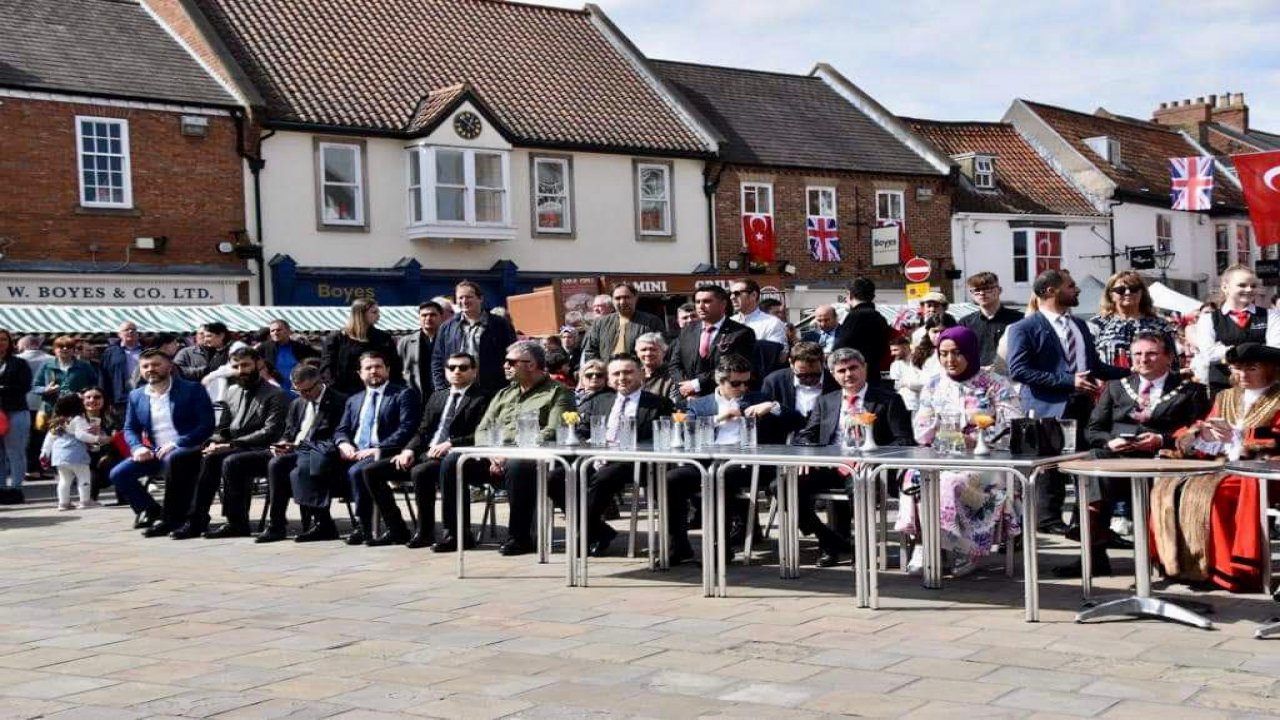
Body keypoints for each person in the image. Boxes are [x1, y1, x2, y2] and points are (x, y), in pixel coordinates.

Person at [1062, 332, 1210, 578]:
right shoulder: (1116, 387)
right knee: (1095, 463)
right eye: (1138, 354)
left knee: (1108, 470)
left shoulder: (1191, 390)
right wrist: (1112, 442)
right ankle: (1094, 548)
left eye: (1151, 353)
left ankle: (1165, 555)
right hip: (1118, 459)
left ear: (1168, 358)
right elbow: (1093, 430)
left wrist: (1161, 439)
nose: (1144, 359)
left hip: (1163, 459)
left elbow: (1198, 433)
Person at [1006, 269, 1127, 533]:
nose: (1077, 290)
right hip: (1046, 407)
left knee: (1087, 464)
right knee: (1049, 469)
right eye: (1071, 286)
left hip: (1083, 405)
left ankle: (1085, 525)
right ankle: (1048, 521)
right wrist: (1067, 380)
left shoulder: (1079, 325)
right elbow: (1019, 370)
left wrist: (1135, 373)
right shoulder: (1024, 328)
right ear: (1050, 291)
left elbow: (1094, 366)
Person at [896, 327, 1021, 576]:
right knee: (914, 474)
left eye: (957, 353)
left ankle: (965, 546)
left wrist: (978, 438)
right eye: (943, 354)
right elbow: (921, 432)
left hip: (988, 461)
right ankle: (927, 543)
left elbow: (1013, 426)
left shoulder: (995, 384)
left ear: (971, 352)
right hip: (944, 456)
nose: (950, 360)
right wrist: (937, 426)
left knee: (953, 481)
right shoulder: (934, 384)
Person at [1165, 343, 1280, 592]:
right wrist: (1204, 434)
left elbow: (1276, 440)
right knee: (1177, 487)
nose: (1242, 375)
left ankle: (1234, 570)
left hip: (1266, 472)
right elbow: (1206, 428)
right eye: (1237, 369)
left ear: (1270, 369)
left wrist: (1241, 440)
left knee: (1218, 496)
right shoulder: (1224, 396)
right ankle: (1187, 565)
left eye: (1251, 368)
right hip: (1225, 466)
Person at [794, 348, 915, 566]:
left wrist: (873, 455)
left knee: (860, 486)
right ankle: (829, 539)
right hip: (831, 465)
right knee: (782, 485)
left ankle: (861, 547)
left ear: (865, 368)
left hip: (867, 467)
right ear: (833, 374)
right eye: (842, 370)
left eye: (853, 368)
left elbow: (904, 440)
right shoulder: (826, 401)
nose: (848, 374)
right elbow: (806, 434)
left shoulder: (888, 400)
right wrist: (806, 453)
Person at [666, 354, 790, 561]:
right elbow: (686, 431)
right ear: (719, 381)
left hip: (747, 463)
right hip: (707, 460)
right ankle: (677, 545)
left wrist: (773, 407)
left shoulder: (758, 398)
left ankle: (719, 546)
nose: (742, 388)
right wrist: (719, 418)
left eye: (746, 382)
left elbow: (795, 420)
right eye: (735, 383)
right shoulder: (700, 404)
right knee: (671, 479)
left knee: (719, 476)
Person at [360, 352, 489, 549]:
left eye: (463, 368)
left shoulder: (483, 397)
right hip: (426, 454)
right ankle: (397, 530)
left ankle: (428, 532)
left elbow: (483, 433)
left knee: (421, 472)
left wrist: (451, 443)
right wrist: (409, 450)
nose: (457, 372)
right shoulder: (438, 397)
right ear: (445, 372)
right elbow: (422, 430)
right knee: (371, 471)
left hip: (458, 457)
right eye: (452, 368)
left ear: (474, 371)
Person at [169, 347, 290, 539]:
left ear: (258, 364)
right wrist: (212, 442)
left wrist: (232, 445)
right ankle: (184, 518)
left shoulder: (276, 394)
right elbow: (223, 428)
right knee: (182, 458)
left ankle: (235, 523)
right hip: (231, 447)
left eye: (246, 365)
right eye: (236, 366)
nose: (241, 370)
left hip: (261, 449)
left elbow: (270, 432)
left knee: (224, 461)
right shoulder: (232, 391)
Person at [564, 353, 673, 557]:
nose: (622, 377)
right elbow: (581, 430)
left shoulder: (659, 404)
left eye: (628, 372)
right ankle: (600, 530)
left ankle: (584, 534)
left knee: (605, 477)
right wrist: (585, 444)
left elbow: (660, 437)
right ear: (610, 377)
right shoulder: (600, 400)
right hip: (595, 459)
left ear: (641, 374)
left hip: (635, 462)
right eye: (616, 373)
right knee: (556, 476)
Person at [478, 340, 575, 556]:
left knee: (517, 466)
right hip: (496, 457)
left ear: (531, 364)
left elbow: (553, 430)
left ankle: (520, 538)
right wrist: (493, 454)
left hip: (534, 460)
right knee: (449, 464)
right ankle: (455, 534)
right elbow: (483, 429)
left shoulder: (558, 392)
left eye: (511, 362)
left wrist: (511, 453)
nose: (505, 366)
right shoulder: (504, 393)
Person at [113, 349, 215, 534]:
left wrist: (178, 443)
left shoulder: (192, 390)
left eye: (156, 364)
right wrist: (137, 448)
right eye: (145, 366)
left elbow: (206, 425)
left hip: (188, 450)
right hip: (154, 452)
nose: (150, 369)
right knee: (119, 473)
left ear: (169, 367)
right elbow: (129, 428)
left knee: (174, 460)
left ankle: (171, 519)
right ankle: (150, 510)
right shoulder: (136, 395)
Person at [333, 351, 421, 545]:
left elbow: (407, 429)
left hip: (386, 452)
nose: (374, 371)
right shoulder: (353, 399)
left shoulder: (403, 394)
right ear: (360, 373)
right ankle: (322, 523)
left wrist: (378, 449)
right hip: (354, 451)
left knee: (358, 472)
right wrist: (343, 443)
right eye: (368, 368)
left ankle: (364, 527)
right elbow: (342, 429)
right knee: (314, 465)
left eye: (378, 367)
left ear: (387, 370)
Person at [257, 364, 349, 543]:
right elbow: (289, 431)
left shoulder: (339, 401)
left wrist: (303, 446)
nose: (303, 395)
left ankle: (323, 523)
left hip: (321, 450)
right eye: (297, 390)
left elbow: (340, 432)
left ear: (319, 382)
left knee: (297, 468)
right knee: (274, 464)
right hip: (295, 450)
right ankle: (276, 525)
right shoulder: (297, 403)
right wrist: (283, 443)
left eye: (307, 390)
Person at [1194, 265, 1280, 398]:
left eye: (1253, 286)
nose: (1249, 289)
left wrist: (1230, 353)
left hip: (1263, 386)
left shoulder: (1271, 316)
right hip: (1223, 386)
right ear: (1225, 287)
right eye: (1242, 285)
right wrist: (1253, 350)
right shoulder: (1208, 319)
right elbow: (1209, 353)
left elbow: (1275, 349)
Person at [431, 280, 518, 395]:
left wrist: (509, 388)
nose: (464, 301)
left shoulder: (499, 325)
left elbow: (512, 356)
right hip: (457, 393)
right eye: (460, 298)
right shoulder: (447, 327)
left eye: (469, 297)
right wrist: (442, 390)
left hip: (492, 392)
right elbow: (437, 360)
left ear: (480, 298)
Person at [670, 285, 756, 399]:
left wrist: (696, 385)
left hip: (723, 399)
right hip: (688, 398)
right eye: (697, 302)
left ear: (723, 304)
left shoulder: (741, 333)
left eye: (707, 301)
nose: (700, 306)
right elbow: (675, 364)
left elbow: (735, 369)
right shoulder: (687, 331)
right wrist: (685, 388)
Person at [1088, 271, 1176, 371]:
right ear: (1111, 295)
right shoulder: (1097, 325)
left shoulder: (1160, 325)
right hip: (1111, 384)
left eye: (1133, 289)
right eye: (1120, 290)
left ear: (1142, 292)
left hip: (1151, 384)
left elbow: (1173, 362)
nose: (1128, 292)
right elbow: (1087, 360)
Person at [39, 393, 106, 511]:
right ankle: (85, 501)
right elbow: (81, 435)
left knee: (64, 480)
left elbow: (49, 439)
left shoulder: (57, 422)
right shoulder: (79, 419)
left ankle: (63, 503)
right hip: (76, 454)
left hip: (59, 456)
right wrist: (97, 439)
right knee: (84, 477)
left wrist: (44, 453)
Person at [321, 299, 401, 396]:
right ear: (361, 314)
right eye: (374, 312)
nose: (378, 316)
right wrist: (336, 392)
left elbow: (394, 367)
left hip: (378, 392)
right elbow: (327, 368)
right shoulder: (337, 338)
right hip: (344, 394)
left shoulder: (383, 338)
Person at [581, 283, 665, 363]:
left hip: (639, 374)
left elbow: (661, 350)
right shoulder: (600, 323)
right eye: (618, 298)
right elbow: (590, 351)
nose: (622, 302)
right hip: (608, 375)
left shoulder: (652, 322)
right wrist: (599, 371)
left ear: (635, 298)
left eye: (626, 297)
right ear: (612, 301)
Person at [760, 341, 838, 427]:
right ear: (791, 364)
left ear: (823, 361)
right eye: (802, 376)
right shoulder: (774, 382)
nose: (809, 379)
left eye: (815, 375)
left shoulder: (836, 382)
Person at [833, 277, 890, 386]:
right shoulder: (880, 318)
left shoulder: (854, 317)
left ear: (850, 295)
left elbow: (840, 350)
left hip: (853, 379)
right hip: (873, 375)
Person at [959, 272, 1024, 367]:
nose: (982, 293)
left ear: (999, 290)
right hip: (976, 377)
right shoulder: (965, 324)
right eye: (977, 290)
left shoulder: (1019, 320)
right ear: (972, 294)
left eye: (987, 288)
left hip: (1010, 377)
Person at [0, 329, 34, 502]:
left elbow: (25, 386)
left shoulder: (19, 363)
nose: (1, 343)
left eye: (4, 340)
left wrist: (3, 389)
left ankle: (16, 488)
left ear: (9, 343)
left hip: (16, 411)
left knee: (15, 452)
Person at [32, 336, 98, 421]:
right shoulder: (47, 366)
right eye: (61, 346)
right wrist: (45, 390)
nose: (65, 349)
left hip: (77, 410)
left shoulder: (84, 366)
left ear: (73, 350)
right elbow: (35, 387)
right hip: (52, 410)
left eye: (69, 347)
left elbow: (94, 386)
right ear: (54, 350)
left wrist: (84, 394)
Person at [16, 335, 51, 483]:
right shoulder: (50, 359)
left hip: (22, 402)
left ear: (23, 346)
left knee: (24, 437)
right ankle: (38, 467)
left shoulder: (17, 359)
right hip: (44, 403)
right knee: (42, 437)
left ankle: (29, 469)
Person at [80, 386, 122, 503]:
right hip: (84, 462)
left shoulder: (112, 418)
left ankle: (124, 498)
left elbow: (119, 442)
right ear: (82, 400)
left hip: (107, 460)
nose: (92, 400)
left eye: (97, 397)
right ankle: (90, 499)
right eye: (88, 397)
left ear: (104, 400)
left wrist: (109, 454)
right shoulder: (77, 420)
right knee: (91, 474)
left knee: (120, 466)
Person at [258, 319, 319, 394]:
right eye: (272, 331)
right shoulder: (264, 348)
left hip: (299, 391)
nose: (275, 333)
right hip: (274, 392)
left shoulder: (301, 347)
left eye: (278, 330)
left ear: (288, 331)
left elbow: (316, 361)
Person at [396, 301, 444, 396]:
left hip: (443, 395)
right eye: (424, 315)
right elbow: (398, 370)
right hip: (415, 396)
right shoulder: (405, 342)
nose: (428, 318)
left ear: (441, 317)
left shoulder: (450, 340)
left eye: (432, 315)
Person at [99, 322, 143, 413]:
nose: (131, 331)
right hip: (119, 399)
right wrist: (105, 400)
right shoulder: (110, 353)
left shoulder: (146, 351)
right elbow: (103, 377)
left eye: (133, 330)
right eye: (127, 330)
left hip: (143, 397)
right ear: (119, 334)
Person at [730, 279, 788, 348]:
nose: (732, 297)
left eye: (737, 293)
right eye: (730, 293)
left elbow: (776, 354)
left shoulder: (772, 324)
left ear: (753, 295)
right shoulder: (729, 322)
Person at [635, 332, 681, 405]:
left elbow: (674, 406)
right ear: (637, 353)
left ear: (664, 352)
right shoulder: (633, 375)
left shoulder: (673, 376)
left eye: (653, 349)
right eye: (643, 350)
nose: (648, 353)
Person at [887, 336, 922, 411]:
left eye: (895, 350)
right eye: (891, 350)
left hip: (920, 406)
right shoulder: (894, 365)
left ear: (905, 348)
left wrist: (905, 383)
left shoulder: (920, 361)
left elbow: (924, 384)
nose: (892, 353)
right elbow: (896, 386)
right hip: (902, 407)